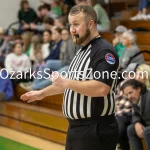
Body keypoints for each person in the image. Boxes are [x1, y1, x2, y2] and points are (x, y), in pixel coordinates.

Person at [21, 5, 119, 150]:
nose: (71, 29)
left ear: (90, 24)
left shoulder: (104, 51)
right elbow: (65, 84)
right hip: (77, 129)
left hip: (96, 129)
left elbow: (101, 88)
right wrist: (41, 93)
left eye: (76, 24)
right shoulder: (81, 51)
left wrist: (66, 82)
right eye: (70, 24)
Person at [121, 79, 150, 150]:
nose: (129, 97)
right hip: (147, 125)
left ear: (139, 89)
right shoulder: (135, 99)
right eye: (127, 94)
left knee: (146, 132)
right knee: (130, 129)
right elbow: (135, 114)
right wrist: (137, 123)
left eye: (130, 92)